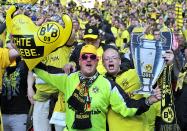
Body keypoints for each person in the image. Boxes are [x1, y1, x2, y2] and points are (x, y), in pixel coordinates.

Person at [34, 44, 161, 131]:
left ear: (97, 61)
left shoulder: (107, 84)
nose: (88, 60)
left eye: (92, 57)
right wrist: (28, 56)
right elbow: (44, 71)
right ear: (79, 61)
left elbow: (127, 107)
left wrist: (148, 100)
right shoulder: (67, 79)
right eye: (85, 57)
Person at [102, 45, 174, 131]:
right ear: (103, 64)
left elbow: (160, 78)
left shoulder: (136, 74)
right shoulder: (102, 82)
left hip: (138, 127)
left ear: (120, 61)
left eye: (114, 57)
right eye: (106, 59)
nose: (110, 60)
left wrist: (168, 65)